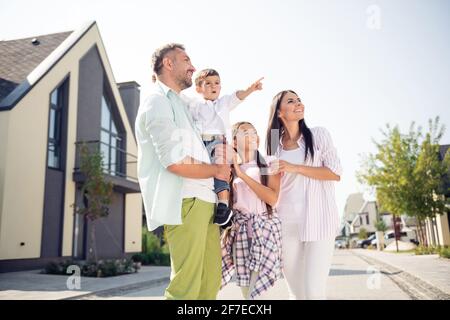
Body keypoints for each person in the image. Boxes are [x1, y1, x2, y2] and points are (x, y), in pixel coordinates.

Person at [135, 43, 231, 300]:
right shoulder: (156, 102)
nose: (193, 67)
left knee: (209, 285)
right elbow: (174, 161)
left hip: (206, 200)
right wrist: (217, 170)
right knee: (186, 290)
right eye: (186, 60)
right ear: (168, 63)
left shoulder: (181, 104)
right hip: (185, 201)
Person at [266, 90, 342, 300]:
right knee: (297, 292)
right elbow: (270, 189)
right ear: (279, 112)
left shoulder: (319, 135)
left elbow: (335, 173)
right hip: (285, 225)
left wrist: (295, 167)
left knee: (313, 292)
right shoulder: (273, 144)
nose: (299, 103)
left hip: (320, 221)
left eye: (299, 100)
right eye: (291, 101)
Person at [181, 69, 264, 227]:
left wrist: (250, 89)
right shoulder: (195, 104)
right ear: (199, 88)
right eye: (208, 83)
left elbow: (237, 96)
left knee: (221, 169)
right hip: (200, 144)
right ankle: (210, 202)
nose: (214, 86)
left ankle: (223, 205)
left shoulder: (223, 103)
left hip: (218, 142)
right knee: (204, 172)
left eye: (217, 83)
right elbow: (179, 97)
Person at [221, 121, 283, 300]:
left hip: (263, 231)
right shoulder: (229, 170)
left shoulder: (269, 163)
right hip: (239, 233)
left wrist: (242, 175)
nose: (252, 135)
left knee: (258, 294)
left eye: (254, 132)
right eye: (245, 132)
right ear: (234, 141)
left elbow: (272, 198)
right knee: (246, 292)